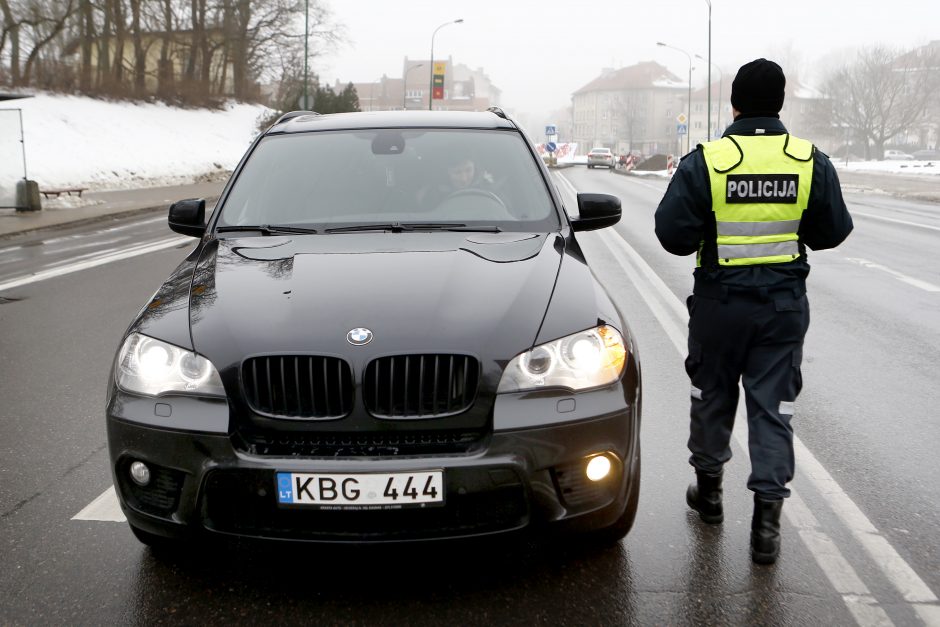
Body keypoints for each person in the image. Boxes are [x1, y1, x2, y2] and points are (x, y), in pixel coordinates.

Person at [653, 58, 854, 565]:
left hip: (720, 307)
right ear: (782, 102)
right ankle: (766, 527)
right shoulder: (808, 160)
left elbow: (671, 236)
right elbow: (832, 232)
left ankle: (711, 496)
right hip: (782, 309)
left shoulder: (708, 160)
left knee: (711, 395)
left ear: (734, 104)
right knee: (773, 409)